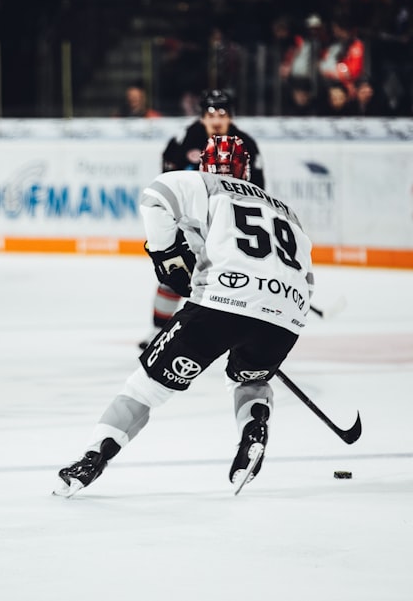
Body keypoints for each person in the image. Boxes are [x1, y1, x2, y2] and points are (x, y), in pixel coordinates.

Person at [54, 135, 315, 497]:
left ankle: (92, 459)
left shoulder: (204, 183)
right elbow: (307, 279)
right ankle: (254, 428)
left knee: (144, 389)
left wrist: (165, 253)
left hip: (222, 304)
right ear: (248, 169)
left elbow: (155, 196)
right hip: (286, 315)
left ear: (204, 164)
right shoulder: (287, 211)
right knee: (249, 380)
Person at [145, 89, 264, 348]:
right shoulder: (184, 139)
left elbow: (258, 193)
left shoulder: (246, 145)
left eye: (222, 113)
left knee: (234, 281)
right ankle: (157, 332)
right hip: (190, 224)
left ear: (231, 116)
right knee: (175, 274)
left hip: (231, 227)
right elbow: (168, 186)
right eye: (211, 113)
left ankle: (236, 335)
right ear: (201, 117)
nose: (217, 119)